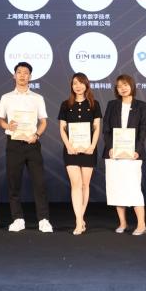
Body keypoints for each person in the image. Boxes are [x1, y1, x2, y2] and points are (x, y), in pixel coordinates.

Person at [0, 61, 53, 233]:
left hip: (32, 143)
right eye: (19, 72)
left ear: (30, 76)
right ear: (14, 75)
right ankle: (18, 219)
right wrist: (7, 126)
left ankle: (43, 219)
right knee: (14, 183)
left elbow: (43, 122)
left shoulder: (37, 98)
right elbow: (0, 119)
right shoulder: (6, 97)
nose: (22, 75)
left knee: (39, 183)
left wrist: (36, 135)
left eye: (26, 73)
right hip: (13, 144)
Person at [102, 74, 146, 235]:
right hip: (114, 154)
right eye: (119, 86)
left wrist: (137, 150)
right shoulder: (112, 105)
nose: (123, 88)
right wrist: (110, 147)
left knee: (133, 188)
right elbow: (106, 128)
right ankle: (123, 223)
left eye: (126, 85)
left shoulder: (141, 105)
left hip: (133, 155)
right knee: (116, 188)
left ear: (132, 86)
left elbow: (143, 130)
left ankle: (141, 225)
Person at [58, 72, 102, 235]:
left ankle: (80, 217)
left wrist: (92, 146)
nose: (78, 86)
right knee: (75, 185)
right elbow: (62, 128)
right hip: (71, 150)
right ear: (71, 86)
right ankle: (78, 221)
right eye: (75, 83)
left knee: (85, 185)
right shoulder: (65, 104)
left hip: (88, 150)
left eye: (81, 83)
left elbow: (97, 127)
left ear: (86, 85)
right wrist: (68, 146)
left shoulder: (94, 104)